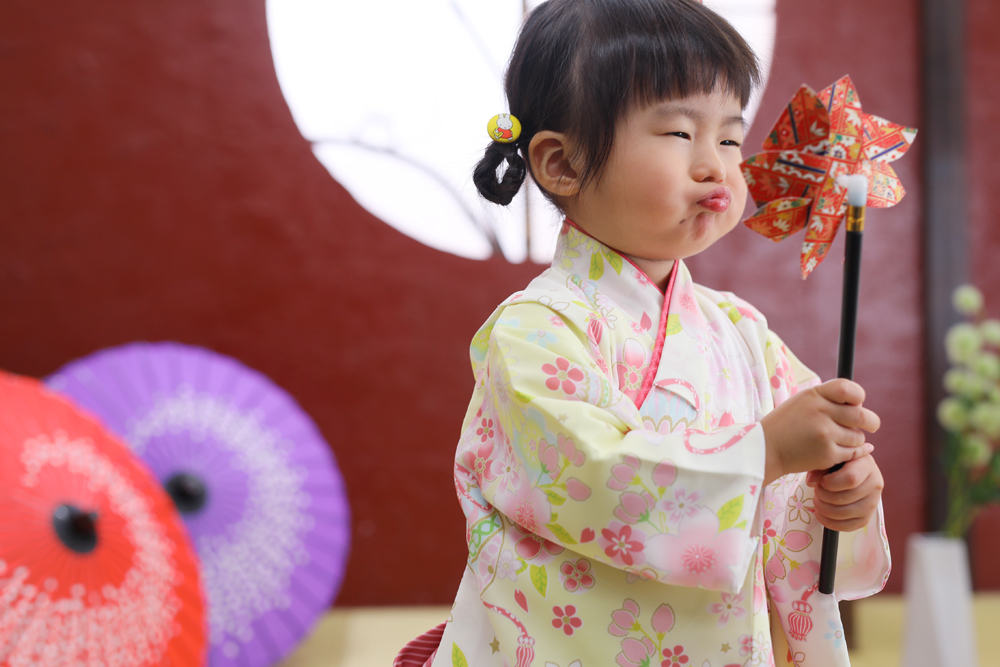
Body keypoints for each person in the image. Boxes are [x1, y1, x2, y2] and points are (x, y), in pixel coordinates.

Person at [395, 1, 888, 665]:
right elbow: (593, 478)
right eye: (680, 133)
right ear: (561, 163)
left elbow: (788, 505)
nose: (716, 165)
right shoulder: (535, 331)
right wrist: (764, 452)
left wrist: (837, 495)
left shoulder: (745, 334)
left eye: (730, 138)